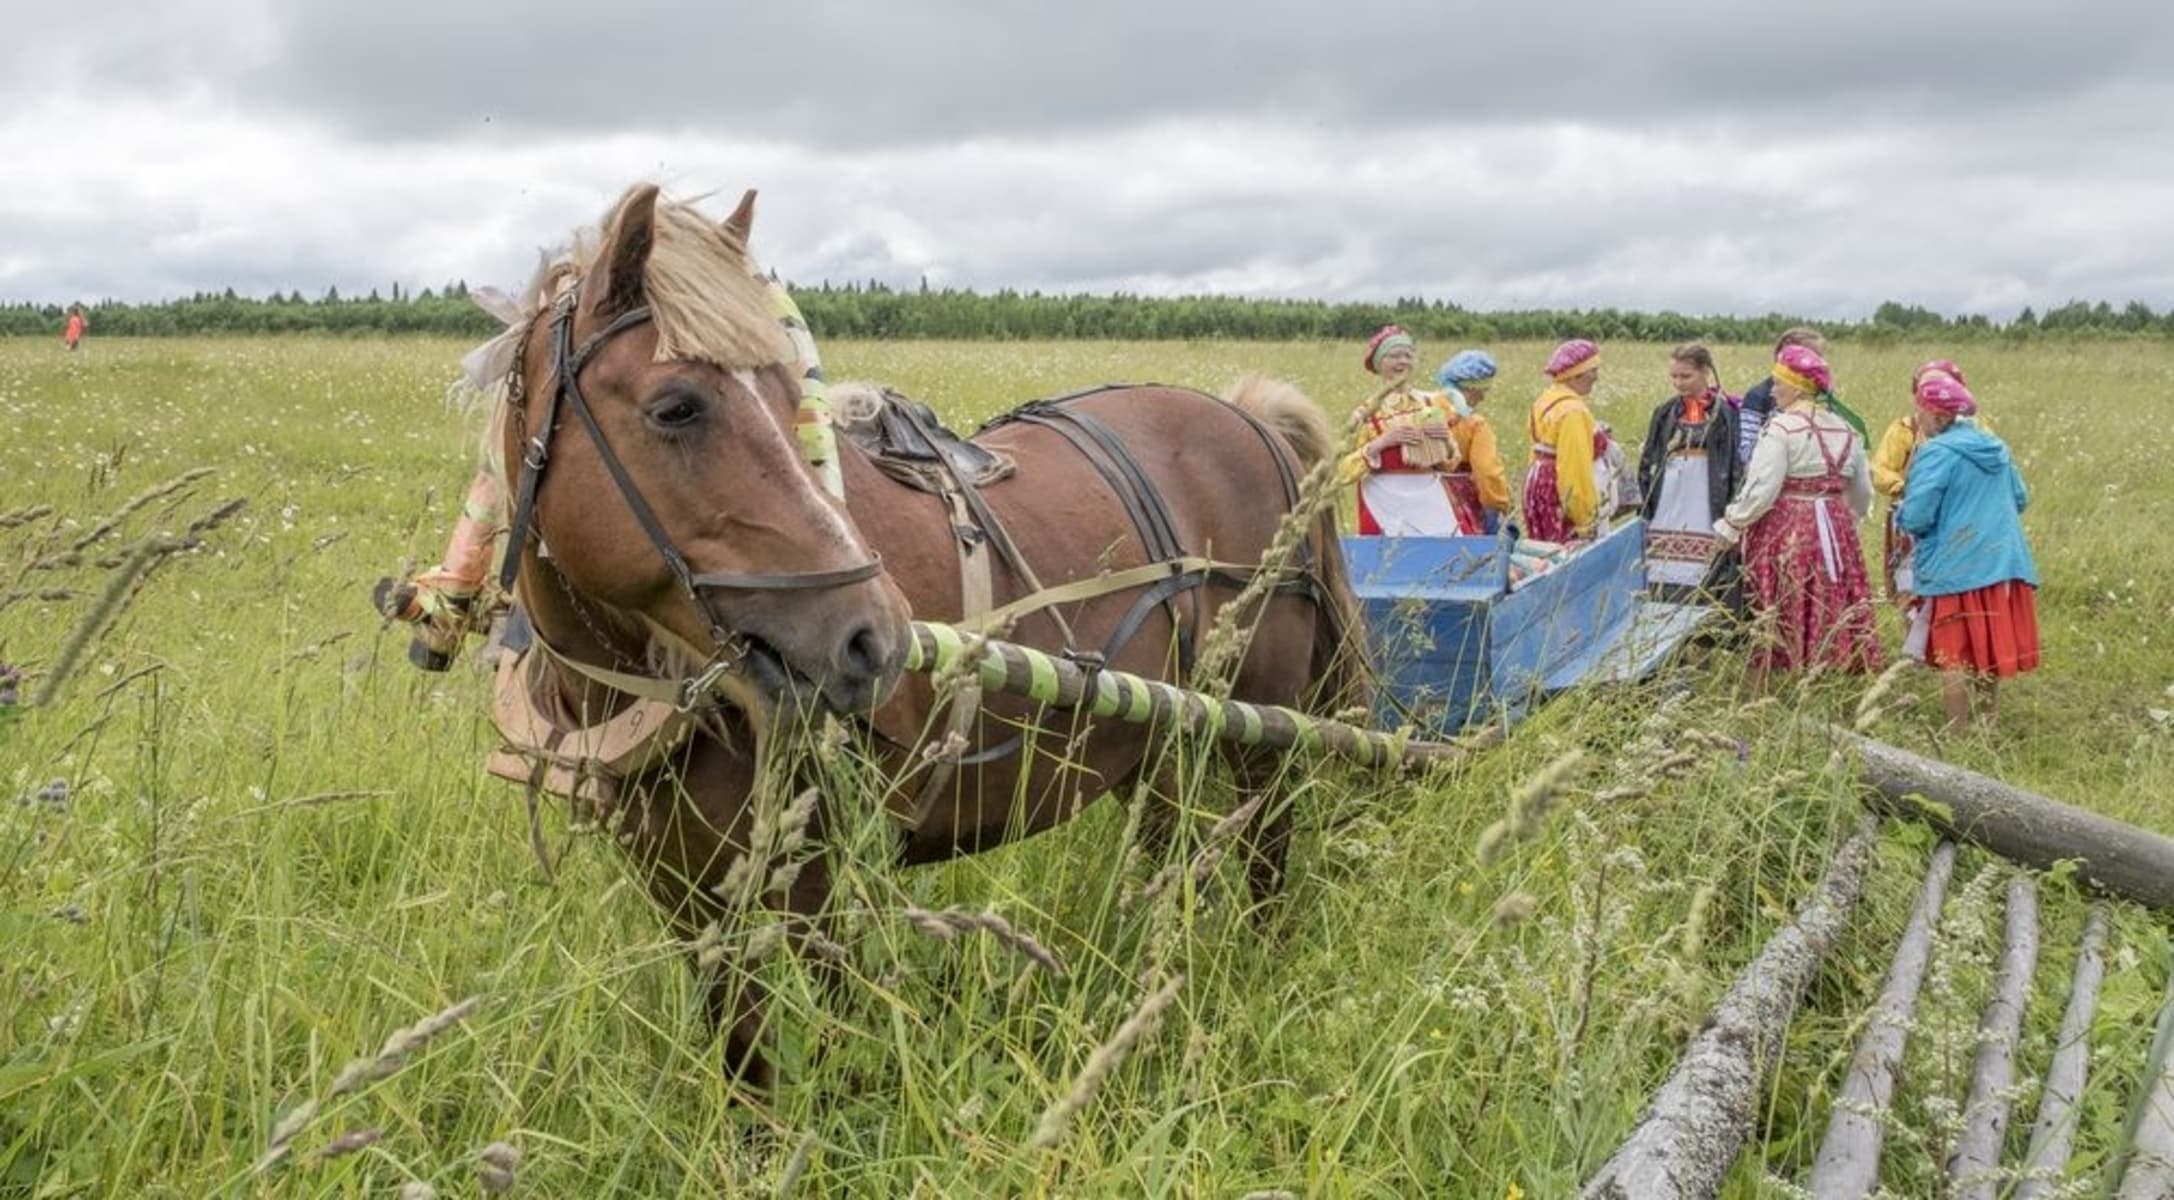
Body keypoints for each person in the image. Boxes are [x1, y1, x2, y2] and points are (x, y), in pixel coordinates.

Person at [1713, 344, 1880, 692]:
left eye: (1779, 383)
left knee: (1773, 605)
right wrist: (1847, 522)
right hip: (1835, 527)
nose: (1773, 391)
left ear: (1799, 387)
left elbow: (1762, 489)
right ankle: (1822, 685)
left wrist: (1731, 523)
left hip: (1787, 527)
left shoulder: (1783, 428)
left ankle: (1757, 693)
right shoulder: (1847, 429)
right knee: (1828, 599)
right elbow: (1862, 492)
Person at [1896, 373, 2039, 733]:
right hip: (2002, 562)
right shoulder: (1996, 447)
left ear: (1940, 416)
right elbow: (2020, 498)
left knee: (1953, 653)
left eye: (1922, 413)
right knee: (1987, 646)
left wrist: (1906, 516)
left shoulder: (1937, 453)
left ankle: (1957, 732)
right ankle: (1988, 723)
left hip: (1955, 566)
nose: (1919, 421)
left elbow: (1917, 515)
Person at [1344, 326, 1491, 536]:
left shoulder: (1430, 404)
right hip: (1383, 500)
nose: (1402, 361)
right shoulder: (1366, 413)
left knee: (1444, 553)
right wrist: (1381, 443)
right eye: (1394, 356)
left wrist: (1446, 444)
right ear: (1379, 363)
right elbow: (1342, 471)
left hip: (1428, 496)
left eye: (1408, 355)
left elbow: (1450, 463)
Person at [1870, 359, 1981, 609]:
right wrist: (1904, 488)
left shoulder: (1978, 431)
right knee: (1909, 588)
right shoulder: (1903, 429)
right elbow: (1879, 469)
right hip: (1910, 516)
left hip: (1959, 517)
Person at [1636, 342, 1742, 603]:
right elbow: (1649, 458)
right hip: (1668, 500)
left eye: (1686, 376)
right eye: (1674, 376)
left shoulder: (1726, 414)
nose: (1679, 383)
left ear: (1705, 371)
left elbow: (1734, 464)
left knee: (1707, 561)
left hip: (1707, 498)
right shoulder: (1664, 413)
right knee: (1664, 560)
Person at [1524, 338, 1607, 542]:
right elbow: (1574, 470)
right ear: (1575, 374)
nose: (1596, 377)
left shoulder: (1545, 401)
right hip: (1557, 490)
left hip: (1536, 483)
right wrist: (1585, 520)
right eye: (1593, 370)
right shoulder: (1573, 412)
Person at [1434, 349, 1513, 534]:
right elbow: (1487, 472)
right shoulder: (1474, 423)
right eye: (1482, 391)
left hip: (1427, 496)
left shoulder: (1424, 408)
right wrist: (1499, 504)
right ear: (1470, 388)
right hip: (1463, 500)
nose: (1483, 398)